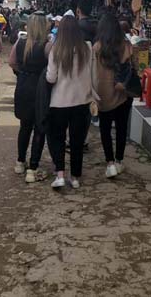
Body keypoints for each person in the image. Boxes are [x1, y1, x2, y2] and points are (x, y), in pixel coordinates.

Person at [46, 15, 96, 189]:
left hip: (59, 102)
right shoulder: (87, 48)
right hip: (82, 101)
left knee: (58, 139)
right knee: (77, 141)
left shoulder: (56, 50)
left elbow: (51, 78)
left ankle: (60, 174)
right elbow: (92, 73)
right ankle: (75, 177)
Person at [9, 13, 51, 184]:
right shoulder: (46, 46)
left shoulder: (20, 42)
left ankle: (20, 162)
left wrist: (22, 73)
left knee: (25, 126)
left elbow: (12, 62)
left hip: (23, 86)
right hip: (40, 89)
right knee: (39, 128)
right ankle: (32, 169)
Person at [93, 14, 134, 178]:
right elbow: (133, 65)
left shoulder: (96, 48)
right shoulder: (125, 45)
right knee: (121, 128)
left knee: (105, 129)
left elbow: (92, 73)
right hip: (122, 94)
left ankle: (109, 164)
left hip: (103, 94)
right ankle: (119, 161)